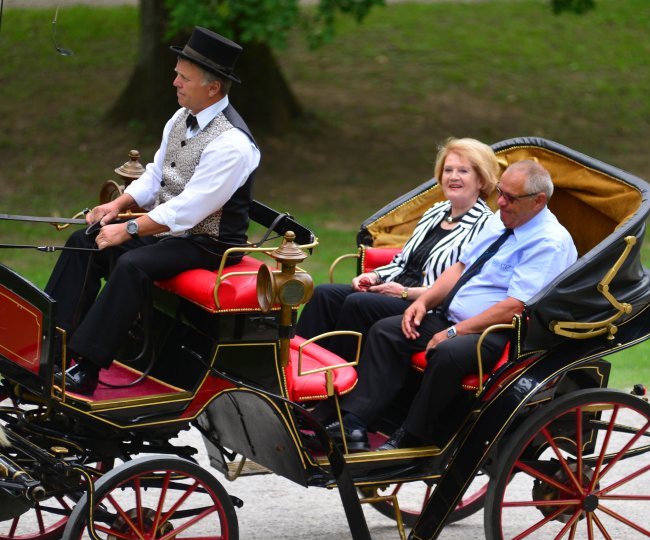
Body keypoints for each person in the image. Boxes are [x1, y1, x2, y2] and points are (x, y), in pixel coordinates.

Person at [45, 27, 260, 395]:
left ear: (212, 88)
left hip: (206, 242)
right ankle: (50, 345)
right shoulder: (179, 118)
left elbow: (190, 211)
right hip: (165, 229)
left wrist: (128, 230)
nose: (174, 81)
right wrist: (116, 206)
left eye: (183, 77)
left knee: (132, 265)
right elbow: (156, 176)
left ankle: (88, 368)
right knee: (84, 240)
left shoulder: (233, 144)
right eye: (177, 73)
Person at [329, 160, 578, 451]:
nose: (500, 202)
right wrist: (422, 302)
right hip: (452, 316)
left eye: (510, 198)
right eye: (500, 192)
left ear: (539, 201)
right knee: (388, 331)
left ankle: (413, 436)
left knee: (447, 352)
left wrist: (454, 332)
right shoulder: (502, 219)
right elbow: (460, 267)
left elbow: (514, 307)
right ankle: (355, 422)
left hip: (495, 333)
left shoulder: (549, 242)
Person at [295, 138, 498, 363]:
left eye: (463, 171)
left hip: (426, 306)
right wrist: (374, 276)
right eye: (448, 170)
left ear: (481, 179)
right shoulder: (436, 211)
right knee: (325, 294)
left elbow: (462, 288)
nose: (453, 176)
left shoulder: (486, 226)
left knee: (359, 303)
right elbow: (402, 261)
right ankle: (296, 367)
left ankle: (335, 378)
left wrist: (403, 292)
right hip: (392, 290)